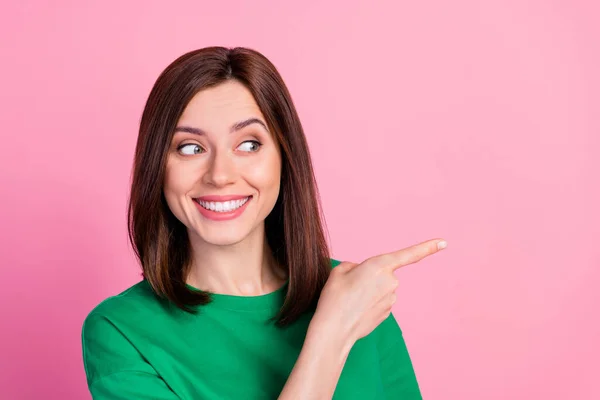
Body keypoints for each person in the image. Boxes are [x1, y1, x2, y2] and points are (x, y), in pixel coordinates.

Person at [81, 46, 447, 399]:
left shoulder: (358, 296)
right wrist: (332, 333)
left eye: (249, 144)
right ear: (156, 168)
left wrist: (346, 314)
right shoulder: (121, 332)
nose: (220, 175)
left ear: (285, 158)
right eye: (190, 147)